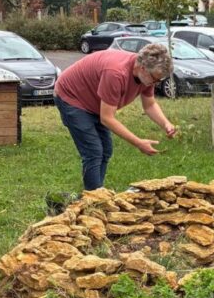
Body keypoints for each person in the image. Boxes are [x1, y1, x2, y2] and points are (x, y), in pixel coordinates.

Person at [54, 43, 178, 191]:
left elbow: (149, 105)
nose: (156, 83)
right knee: (93, 151)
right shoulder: (116, 73)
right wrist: (138, 143)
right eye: (155, 79)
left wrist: (166, 124)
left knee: (105, 150)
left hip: (95, 102)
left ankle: (96, 192)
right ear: (143, 68)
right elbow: (107, 118)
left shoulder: (146, 76)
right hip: (72, 97)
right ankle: (93, 199)